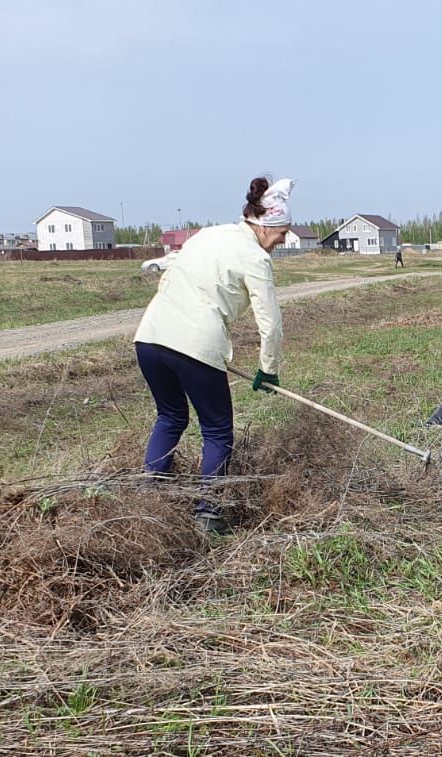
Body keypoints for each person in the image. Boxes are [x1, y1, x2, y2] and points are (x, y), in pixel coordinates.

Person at [132, 176, 291, 534]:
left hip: (150, 336)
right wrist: (269, 369)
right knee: (218, 431)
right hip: (197, 345)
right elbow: (271, 323)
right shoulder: (255, 258)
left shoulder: (208, 235)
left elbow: (169, 274)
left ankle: (149, 501)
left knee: (170, 417)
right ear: (267, 225)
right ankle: (208, 515)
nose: (282, 241)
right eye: (282, 232)